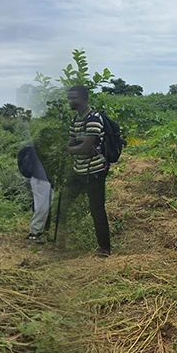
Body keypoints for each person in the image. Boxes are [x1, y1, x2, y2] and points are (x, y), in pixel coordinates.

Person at [63, 86, 112, 257]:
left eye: (73, 98)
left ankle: (105, 248)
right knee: (62, 202)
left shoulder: (93, 119)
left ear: (84, 98)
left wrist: (73, 149)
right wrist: (77, 148)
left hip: (94, 171)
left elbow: (83, 148)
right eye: (69, 98)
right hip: (79, 169)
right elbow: (75, 145)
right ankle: (59, 240)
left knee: (97, 210)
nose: (70, 101)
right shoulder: (75, 119)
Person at [18, 143, 54, 243]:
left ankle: (39, 231)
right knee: (42, 206)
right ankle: (34, 233)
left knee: (44, 205)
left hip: (41, 179)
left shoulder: (37, 148)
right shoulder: (42, 150)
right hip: (40, 179)